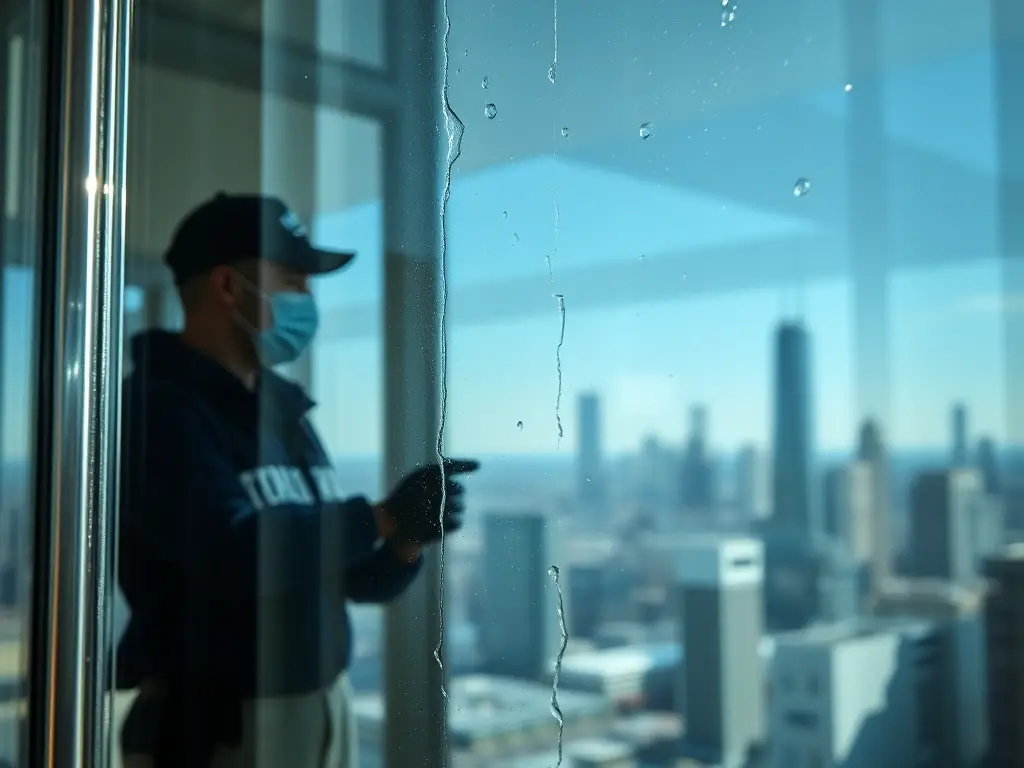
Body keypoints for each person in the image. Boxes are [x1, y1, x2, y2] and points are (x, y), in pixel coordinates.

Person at [116, 192, 478, 768]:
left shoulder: (284, 413)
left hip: (319, 712)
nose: (308, 300)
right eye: (292, 280)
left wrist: (406, 537)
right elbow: (228, 552)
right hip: (220, 729)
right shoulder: (157, 411)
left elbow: (352, 578)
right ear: (228, 287)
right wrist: (378, 517)